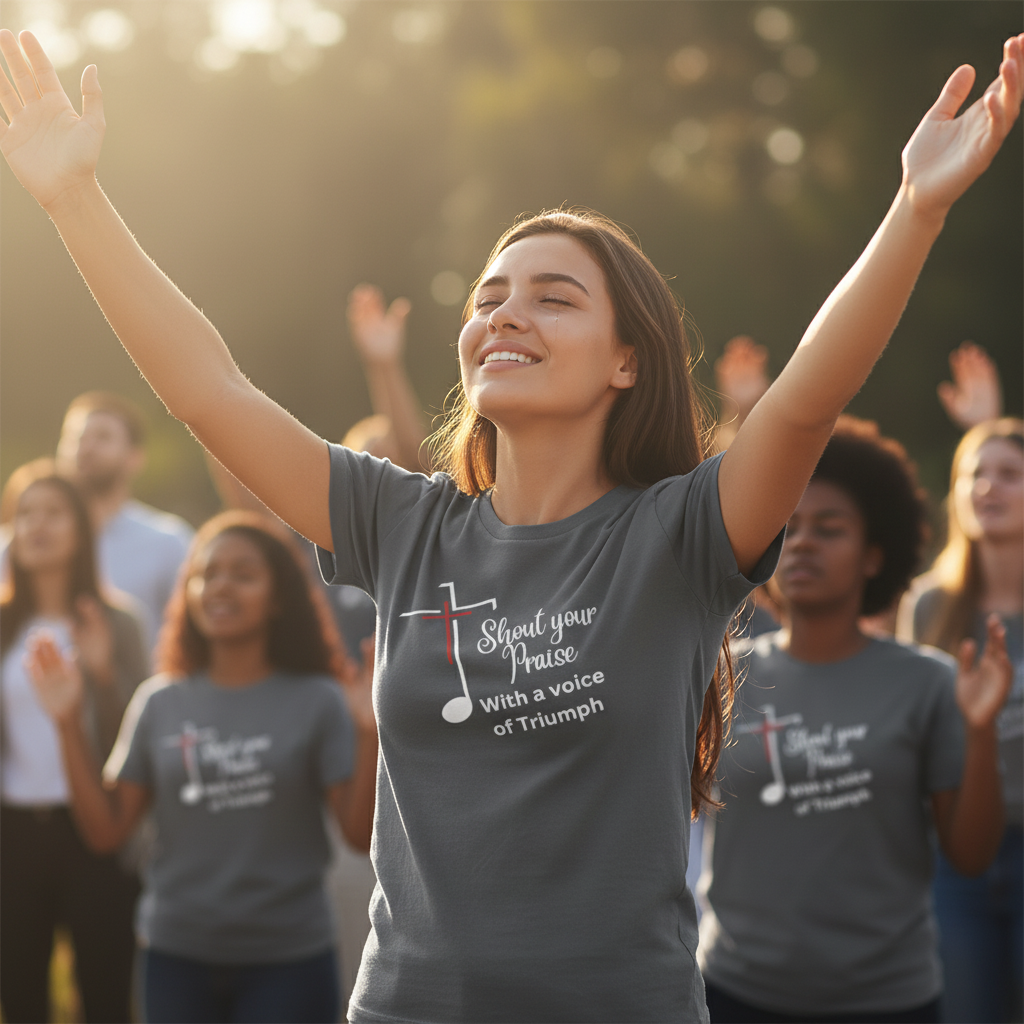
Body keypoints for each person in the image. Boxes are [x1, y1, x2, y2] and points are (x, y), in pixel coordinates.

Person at [0, 27, 1021, 1022]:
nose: (504, 315)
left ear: (627, 359)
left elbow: (801, 401)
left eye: (554, 296)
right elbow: (209, 391)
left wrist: (913, 209)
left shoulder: (682, 535)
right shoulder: (399, 522)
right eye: (488, 297)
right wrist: (74, 198)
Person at [697, 418, 1012, 1024]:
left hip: (888, 999)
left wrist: (978, 732)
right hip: (736, 991)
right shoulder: (720, 679)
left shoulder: (930, 682)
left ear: (874, 555)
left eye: (830, 528)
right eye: (790, 526)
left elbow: (971, 857)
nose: (804, 542)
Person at [26, 511, 379, 1024]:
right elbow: (105, 831)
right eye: (206, 574)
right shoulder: (159, 703)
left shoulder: (319, 701)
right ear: (187, 594)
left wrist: (369, 733)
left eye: (243, 574)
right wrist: (66, 724)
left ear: (278, 596)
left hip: (289, 958)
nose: (220, 587)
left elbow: (357, 834)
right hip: (176, 957)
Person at [0, 461, 148, 1024]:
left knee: (107, 997)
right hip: (11, 833)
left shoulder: (117, 622)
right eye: (25, 513)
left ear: (81, 528)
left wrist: (105, 676)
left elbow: (141, 736)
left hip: (96, 836)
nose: (37, 525)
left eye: (53, 512)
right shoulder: (2, 624)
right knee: (21, 998)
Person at [897, 416, 1024, 1024]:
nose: (988, 488)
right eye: (975, 473)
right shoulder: (929, 606)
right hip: (953, 863)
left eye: (1009, 474)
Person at [53, 391, 194, 655]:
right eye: (75, 438)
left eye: (103, 437)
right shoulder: (19, 544)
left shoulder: (168, 541)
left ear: (135, 458)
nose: (85, 448)